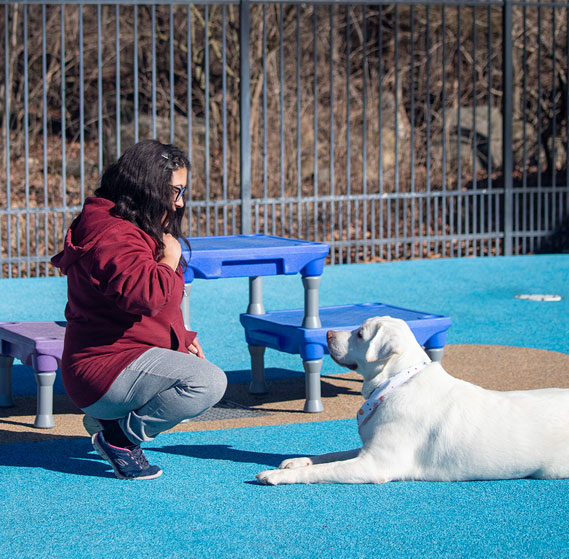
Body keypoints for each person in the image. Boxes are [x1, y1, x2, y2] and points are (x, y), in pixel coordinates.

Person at [51, 139, 227, 480]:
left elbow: (148, 301)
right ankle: (118, 438)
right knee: (206, 382)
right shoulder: (115, 235)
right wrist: (170, 257)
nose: (180, 203)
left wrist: (182, 336)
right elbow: (146, 296)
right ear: (149, 186)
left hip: (112, 362)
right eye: (175, 191)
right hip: (101, 368)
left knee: (194, 373)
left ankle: (111, 418)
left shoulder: (129, 223)